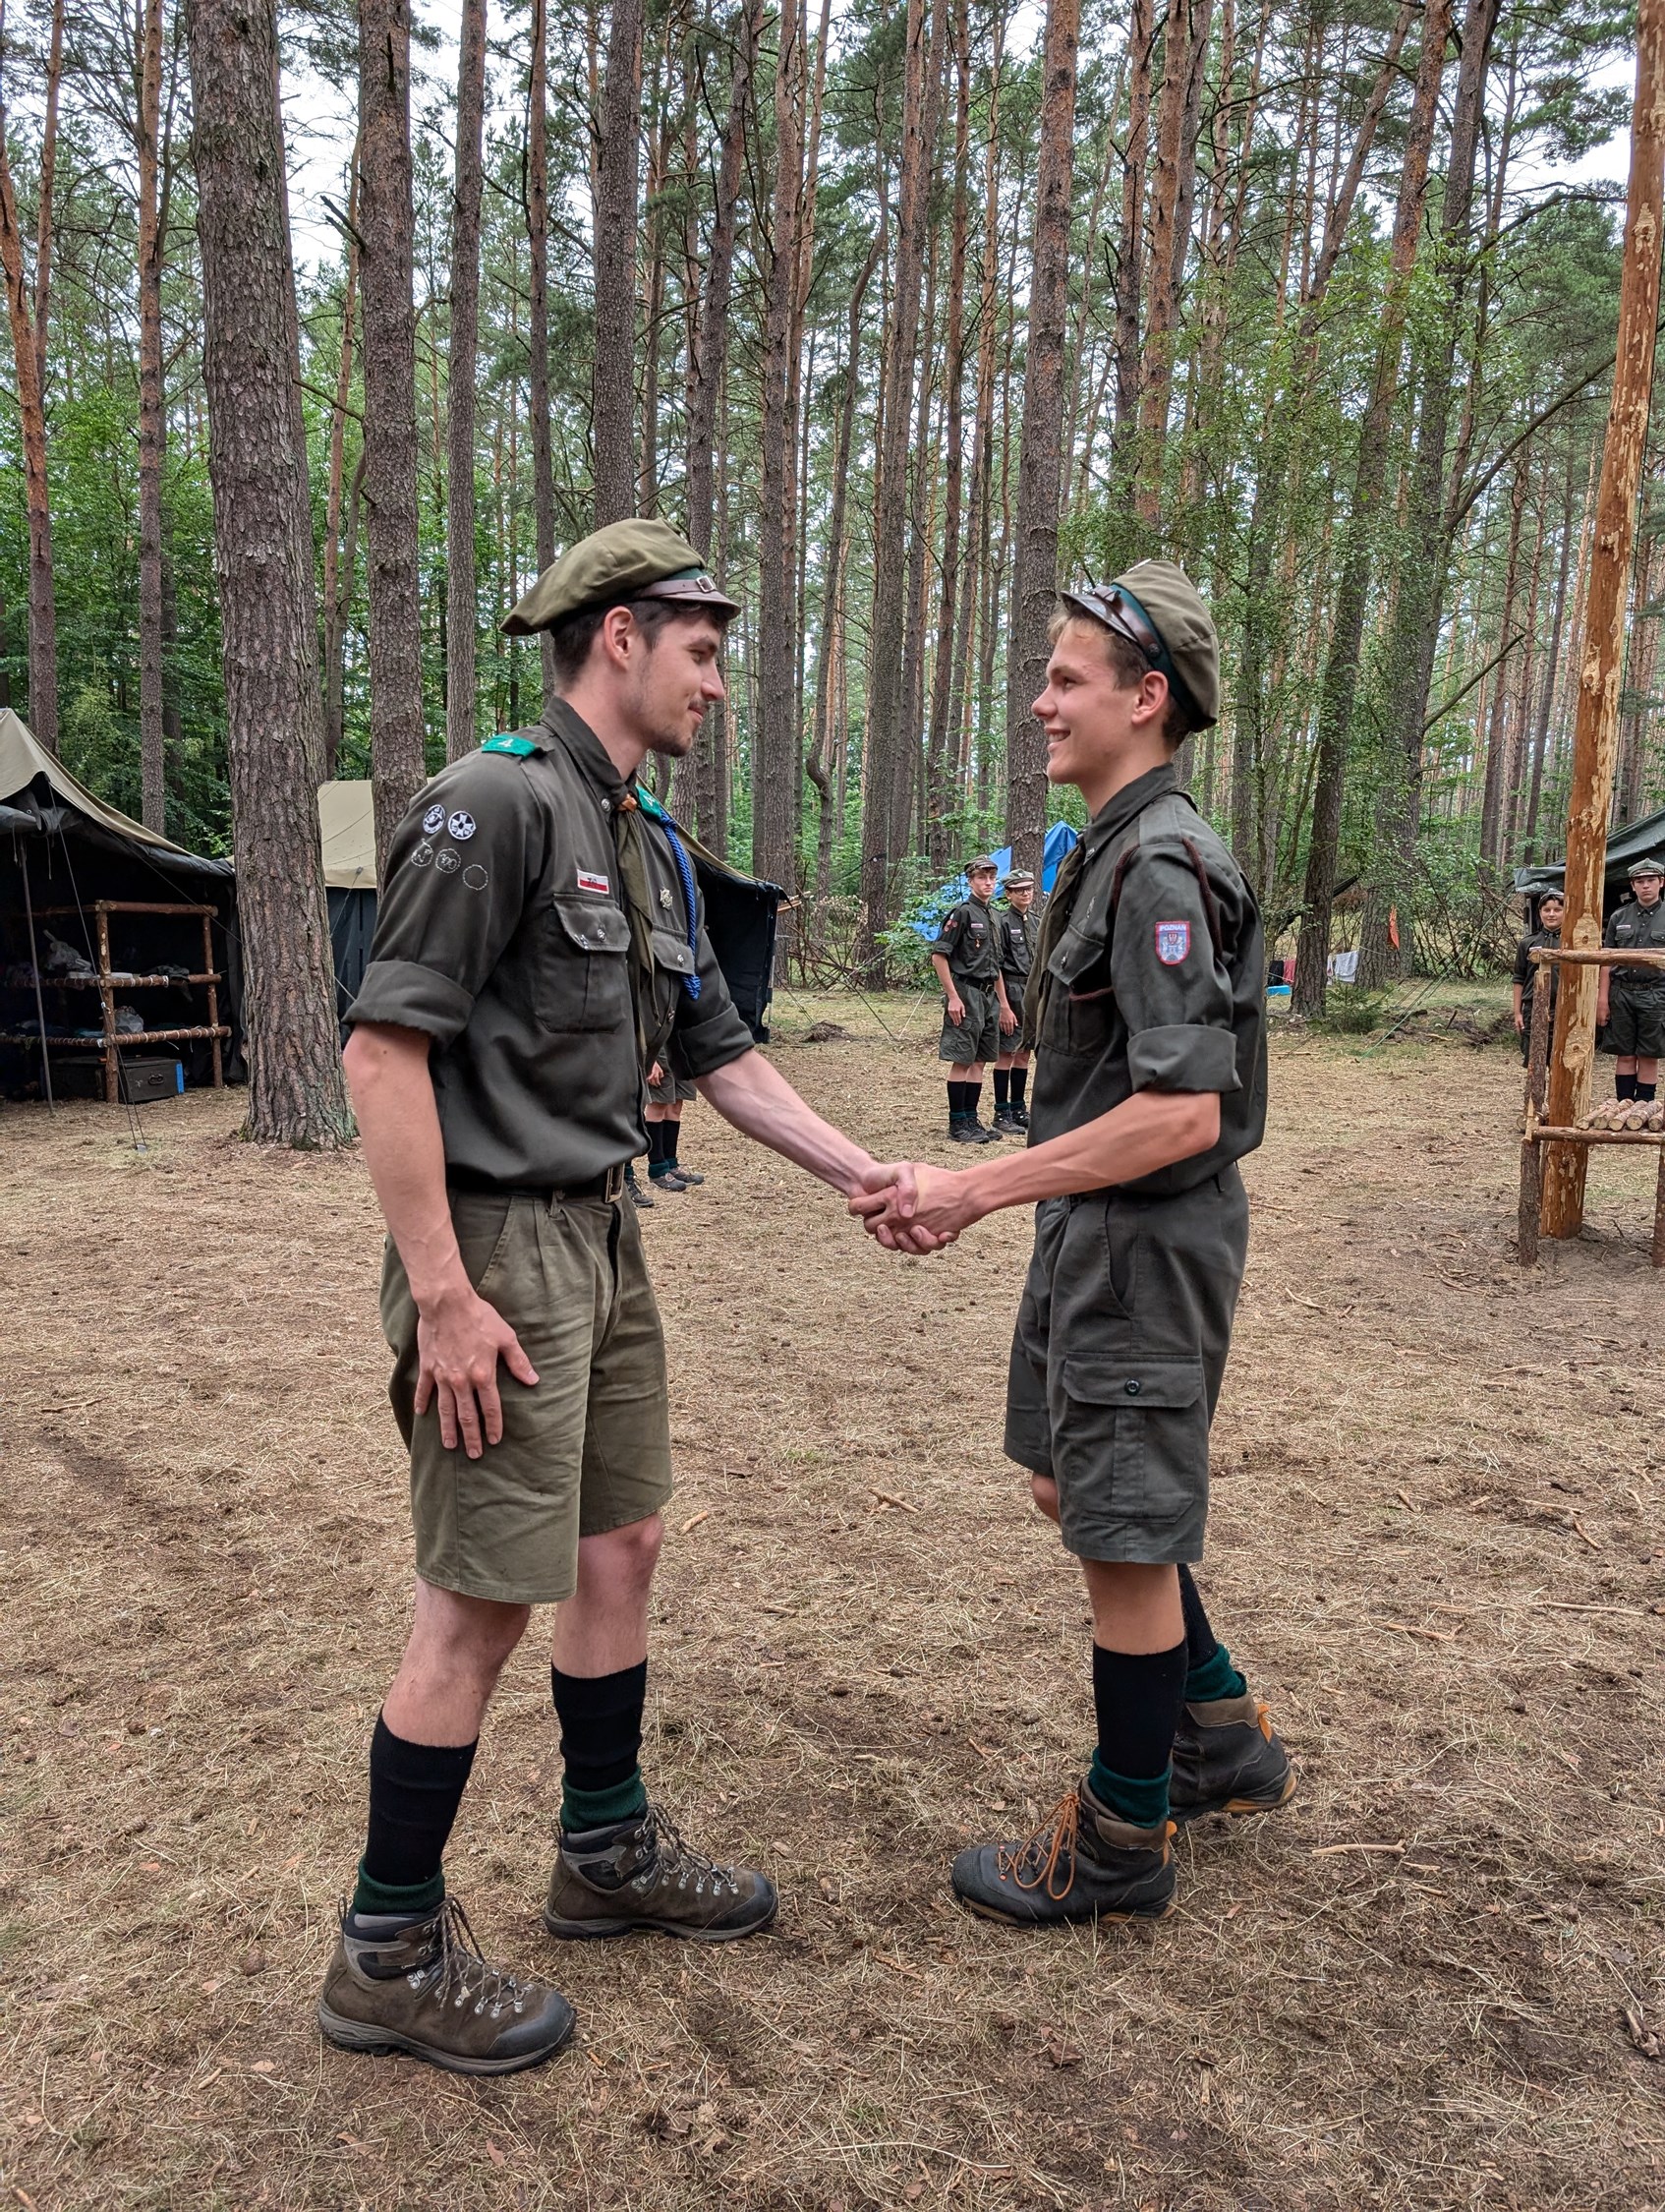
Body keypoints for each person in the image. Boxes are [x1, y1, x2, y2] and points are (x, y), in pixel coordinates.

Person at [318, 519, 916, 2073]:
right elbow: (382, 1052)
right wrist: (444, 1295)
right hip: (497, 1253)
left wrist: (863, 1174)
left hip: (602, 1233)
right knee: (477, 1602)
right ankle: (386, 1945)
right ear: (621, 636)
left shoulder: (640, 837)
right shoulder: (494, 803)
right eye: (701, 652)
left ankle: (602, 1848)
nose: (714, 684)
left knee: (619, 1545)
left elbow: (719, 1057)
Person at [855, 559, 1292, 1927]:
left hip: (1141, 1244)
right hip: (1094, 1235)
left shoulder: (1159, 861)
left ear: (1144, 696)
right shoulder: (1106, 846)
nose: (1040, 701)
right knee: (1073, 1487)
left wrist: (976, 1188)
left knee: (1123, 1531)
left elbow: (1179, 1114)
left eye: (1064, 679)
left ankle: (1119, 1837)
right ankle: (1214, 1731)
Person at [932, 857, 1015, 1142]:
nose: (988, 883)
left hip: (988, 995)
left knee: (979, 1060)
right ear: (970, 881)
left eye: (992, 877)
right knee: (962, 1060)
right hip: (966, 992)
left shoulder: (994, 916)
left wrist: (1004, 1004)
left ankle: (971, 1119)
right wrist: (953, 997)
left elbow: (997, 966)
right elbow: (939, 956)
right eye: (981, 877)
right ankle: (957, 1123)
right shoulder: (963, 913)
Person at [1598, 858, 1665, 1103]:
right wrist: (1602, 1000)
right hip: (1621, 993)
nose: (1645, 886)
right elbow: (1606, 960)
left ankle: (1643, 1108)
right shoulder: (1619, 917)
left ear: (1661, 882)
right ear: (1632, 885)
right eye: (1640, 881)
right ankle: (1624, 1106)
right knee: (1624, 1054)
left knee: (1649, 1055)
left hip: (1656, 994)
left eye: (1650, 880)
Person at [992, 868, 1039, 1133]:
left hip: (1031, 991)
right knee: (1006, 1052)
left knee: (1024, 1053)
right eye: (1019, 890)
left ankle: (1019, 1109)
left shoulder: (1037, 922)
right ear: (1008, 894)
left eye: (1028, 889)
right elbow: (996, 966)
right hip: (1010, 989)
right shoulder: (1001, 923)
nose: (1025, 894)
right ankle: (1001, 1112)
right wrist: (1004, 1006)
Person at [1512, 889, 1564, 1062]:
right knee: (1535, 1059)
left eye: (1557, 910)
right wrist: (1517, 1012)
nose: (1551, 914)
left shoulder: (1572, 942)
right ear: (1540, 912)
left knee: (1561, 1061)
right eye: (1546, 910)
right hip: (1532, 1007)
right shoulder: (1527, 942)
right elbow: (1518, 978)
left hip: (1564, 1007)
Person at [646, 1046, 703, 1192]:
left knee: (676, 1105)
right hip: (659, 1045)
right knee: (659, 1104)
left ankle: (671, 1164)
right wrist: (651, 1059)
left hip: (679, 1045)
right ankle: (657, 1169)